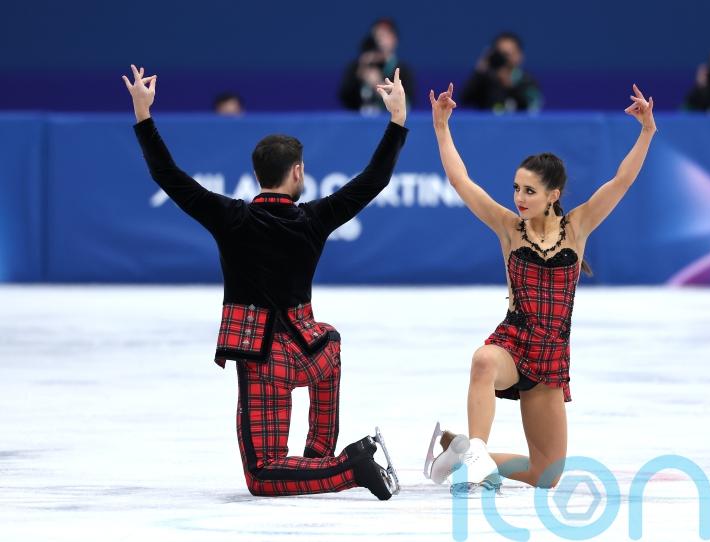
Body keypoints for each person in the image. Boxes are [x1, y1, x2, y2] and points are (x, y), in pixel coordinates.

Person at [122, 64, 408, 499]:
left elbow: (169, 176)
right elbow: (374, 180)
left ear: (258, 175)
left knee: (263, 475)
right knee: (331, 341)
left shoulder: (232, 219)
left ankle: (350, 467)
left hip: (262, 360)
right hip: (312, 351)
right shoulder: (313, 218)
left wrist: (144, 116)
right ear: (297, 172)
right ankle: (319, 457)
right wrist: (397, 121)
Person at [425, 82, 656, 494]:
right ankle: (476, 453)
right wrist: (442, 128)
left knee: (546, 476)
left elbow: (621, 181)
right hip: (514, 344)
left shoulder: (578, 227)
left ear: (553, 195)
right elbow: (462, 182)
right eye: (516, 188)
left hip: (550, 358)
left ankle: (455, 448)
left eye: (529, 190)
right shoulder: (508, 228)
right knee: (482, 361)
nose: (519, 197)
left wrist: (646, 132)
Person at [338, 18, 415, 114]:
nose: (380, 40)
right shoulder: (357, 67)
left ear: (394, 39)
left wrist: (378, 85)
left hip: (389, 122)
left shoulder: (402, 70)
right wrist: (358, 76)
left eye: (384, 35)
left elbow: (406, 104)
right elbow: (345, 99)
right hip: (359, 123)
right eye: (376, 36)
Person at [460, 33, 543, 113]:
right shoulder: (485, 80)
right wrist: (480, 70)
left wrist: (509, 85)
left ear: (519, 56)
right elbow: (464, 99)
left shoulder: (527, 81)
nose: (504, 59)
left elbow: (533, 108)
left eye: (507, 54)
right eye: (500, 54)